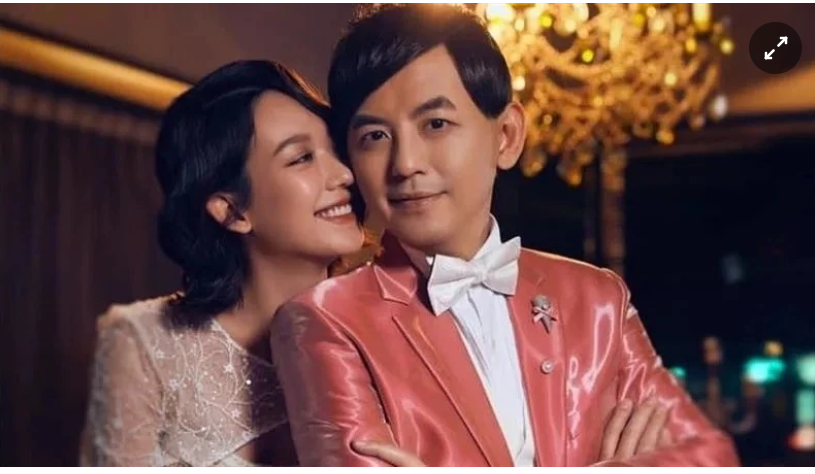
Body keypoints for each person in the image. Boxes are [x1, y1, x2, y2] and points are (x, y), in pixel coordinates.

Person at [269, 4, 740, 467]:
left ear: (507, 135)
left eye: (435, 124)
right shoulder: (326, 320)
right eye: (375, 136)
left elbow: (710, 455)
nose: (406, 163)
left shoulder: (597, 299)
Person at [80, 59, 405, 467]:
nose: (344, 174)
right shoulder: (146, 345)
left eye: (335, 151)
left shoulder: (392, 330)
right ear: (232, 210)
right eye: (302, 158)